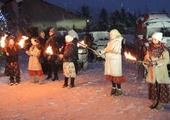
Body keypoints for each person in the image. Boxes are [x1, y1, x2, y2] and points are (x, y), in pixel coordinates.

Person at [143, 32, 170, 110]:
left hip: (161, 71)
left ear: (159, 40)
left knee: (161, 87)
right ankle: (155, 101)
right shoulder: (149, 49)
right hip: (153, 72)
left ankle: (160, 103)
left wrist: (157, 62)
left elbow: (167, 60)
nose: (154, 40)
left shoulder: (164, 50)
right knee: (154, 87)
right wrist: (146, 62)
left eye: (156, 39)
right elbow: (146, 58)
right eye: (153, 39)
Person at [100, 29, 126, 96]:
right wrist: (102, 52)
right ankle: (114, 88)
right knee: (111, 75)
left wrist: (106, 54)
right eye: (110, 34)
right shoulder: (110, 42)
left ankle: (119, 90)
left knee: (116, 75)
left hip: (115, 60)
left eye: (111, 34)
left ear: (116, 34)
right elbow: (107, 49)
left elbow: (115, 51)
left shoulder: (117, 41)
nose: (110, 36)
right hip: (110, 60)